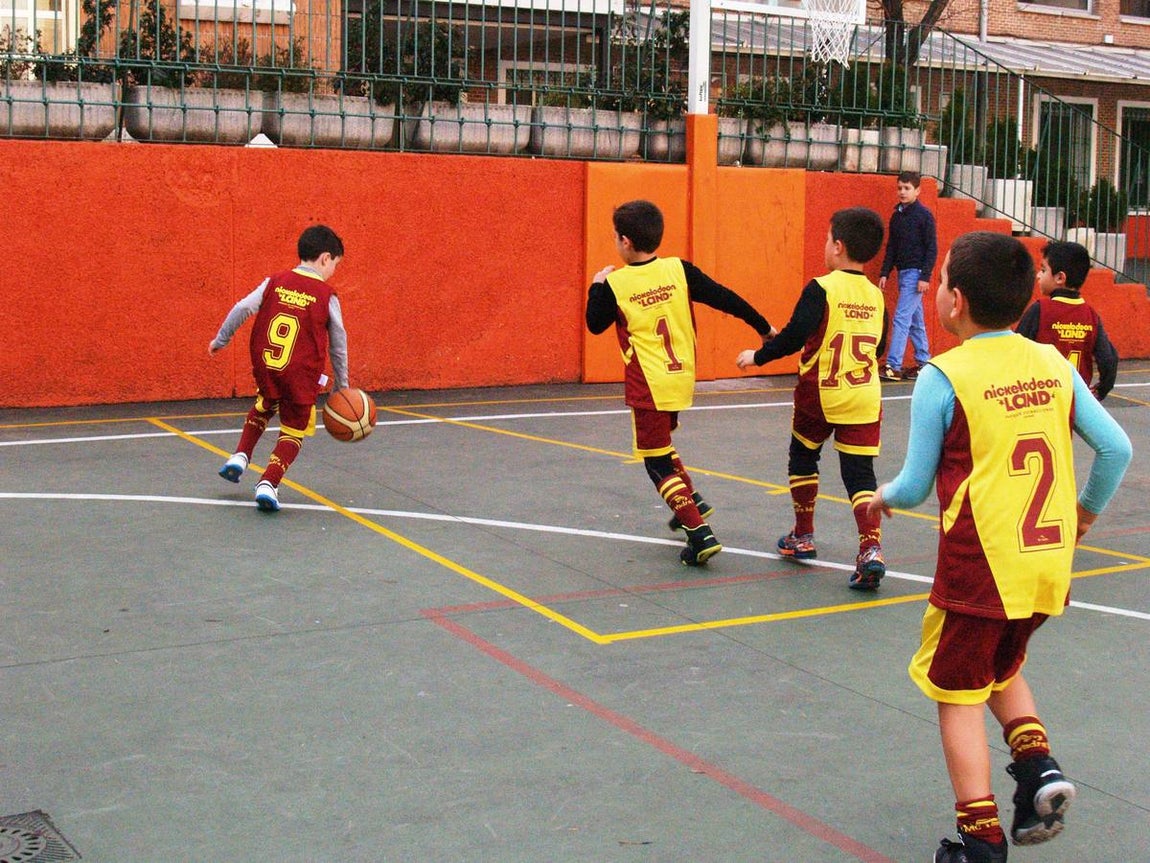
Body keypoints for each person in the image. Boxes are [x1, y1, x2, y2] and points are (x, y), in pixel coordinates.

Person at [868, 232, 1131, 863]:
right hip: (1045, 561)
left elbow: (912, 485)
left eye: (937, 281)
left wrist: (880, 497)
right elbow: (1117, 450)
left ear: (954, 301)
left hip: (981, 565)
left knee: (955, 694)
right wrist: (1085, 517)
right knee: (1002, 666)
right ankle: (1037, 769)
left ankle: (979, 839)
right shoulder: (1054, 364)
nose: (931, 289)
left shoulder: (944, 375)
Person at [586, 199, 777, 566]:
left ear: (625, 242)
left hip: (649, 383)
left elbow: (594, 324)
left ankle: (698, 532)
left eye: (614, 237)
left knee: (655, 461)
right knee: (661, 445)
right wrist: (763, 326)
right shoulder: (678, 270)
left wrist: (598, 285)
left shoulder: (617, 284)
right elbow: (725, 298)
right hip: (680, 378)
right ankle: (694, 500)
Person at [736, 207, 890, 590]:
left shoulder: (821, 289)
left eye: (826, 239)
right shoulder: (876, 296)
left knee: (804, 455)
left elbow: (792, 335)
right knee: (860, 476)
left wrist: (758, 356)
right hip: (864, 395)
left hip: (822, 390)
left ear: (837, 246)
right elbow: (881, 347)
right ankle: (870, 549)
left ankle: (803, 535)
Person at [209, 224, 351, 513]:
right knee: (294, 429)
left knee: (265, 403)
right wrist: (342, 385)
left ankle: (240, 455)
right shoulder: (326, 294)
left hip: (268, 364)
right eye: (335, 265)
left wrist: (221, 339)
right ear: (325, 258)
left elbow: (242, 308)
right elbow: (339, 343)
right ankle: (268, 483)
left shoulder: (275, 281)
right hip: (301, 373)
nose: (333, 271)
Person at [1016, 240, 1119, 401]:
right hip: (1076, 400)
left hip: (1042, 401)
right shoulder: (1090, 315)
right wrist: (1101, 390)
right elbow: (1109, 359)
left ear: (1060, 278)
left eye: (1043, 270)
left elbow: (1016, 352)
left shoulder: (1040, 310)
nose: (1038, 275)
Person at [878, 170, 938, 382]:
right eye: (899, 188)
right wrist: (885, 272)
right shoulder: (897, 216)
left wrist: (925, 276)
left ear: (917, 191)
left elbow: (932, 248)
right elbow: (892, 247)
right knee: (914, 321)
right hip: (903, 273)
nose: (902, 192)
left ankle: (894, 365)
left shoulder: (924, 216)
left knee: (901, 318)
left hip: (915, 274)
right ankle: (924, 362)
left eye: (907, 188)